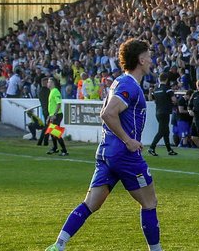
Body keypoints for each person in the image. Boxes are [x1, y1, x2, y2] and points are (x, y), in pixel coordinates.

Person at [44, 39, 161, 251]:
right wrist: (128, 140)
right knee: (150, 202)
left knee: (91, 203)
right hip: (124, 155)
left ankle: (58, 244)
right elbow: (107, 114)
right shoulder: (129, 86)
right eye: (149, 56)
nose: (151, 60)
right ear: (141, 59)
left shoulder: (120, 81)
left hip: (107, 152)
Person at [148, 75, 176, 156]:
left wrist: (150, 92)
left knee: (165, 131)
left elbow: (150, 98)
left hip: (158, 112)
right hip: (165, 112)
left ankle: (169, 150)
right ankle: (152, 147)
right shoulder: (167, 89)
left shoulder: (156, 89)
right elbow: (174, 99)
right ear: (167, 79)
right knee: (161, 131)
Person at [45, 78, 68, 156]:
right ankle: (55, 148)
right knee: (52, 132)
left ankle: (64, 150)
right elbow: (53, 105)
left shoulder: (55, 91)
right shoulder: (52, 91)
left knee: (56, 133)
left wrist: (54, 114)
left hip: (57, 115)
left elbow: (58, 103)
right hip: (53, 115)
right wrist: (49, 115)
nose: (48, 83)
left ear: (52, 83)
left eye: (49, 82)